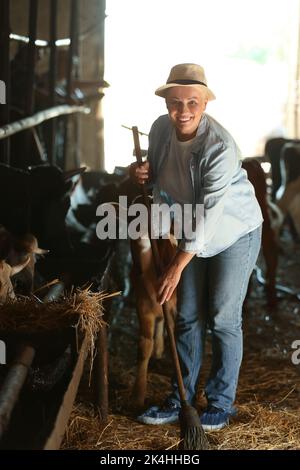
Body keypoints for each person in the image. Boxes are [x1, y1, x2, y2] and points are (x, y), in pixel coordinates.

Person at [129, 63, 263, 431]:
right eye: (175, 102)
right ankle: (181, 397)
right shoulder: (160, 129)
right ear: (166, 103)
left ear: (204, 104)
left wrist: (175, 265)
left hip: (232, 232)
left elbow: (210, 212)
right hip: (192, 230)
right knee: (186, 316)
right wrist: (139, 173)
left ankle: (220, 403)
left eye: (192, 102)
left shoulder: (218, 146)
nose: (183, 110)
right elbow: (156, 174)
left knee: (221, 317)